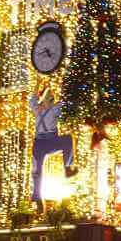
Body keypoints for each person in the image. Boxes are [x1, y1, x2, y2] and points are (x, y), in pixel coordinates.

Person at [28, 80, 78, 214]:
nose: (46, 101)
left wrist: (63, 83)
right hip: (39, 143)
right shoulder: (37, 109)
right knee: (36, 171)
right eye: (45, 98)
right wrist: (38, 82)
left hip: (52, 140)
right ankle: (37, 197)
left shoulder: (55, 108)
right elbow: (33, 97)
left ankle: (67, 168)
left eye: (49, 98)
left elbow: (66, 100)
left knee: (67, 139)